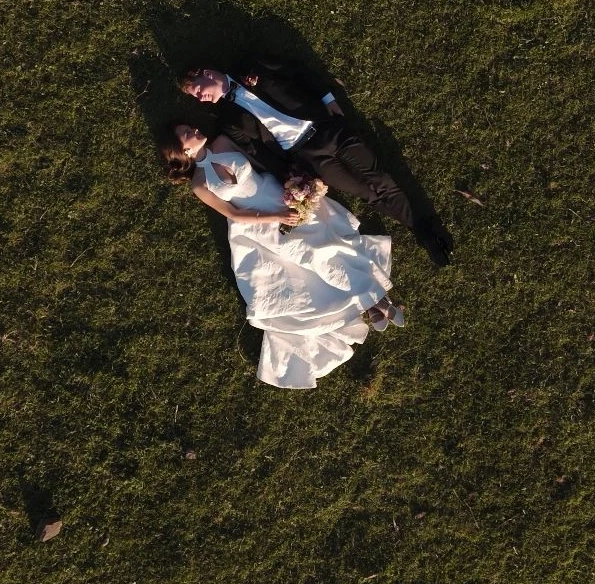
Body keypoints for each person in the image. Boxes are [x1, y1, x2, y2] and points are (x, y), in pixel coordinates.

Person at [162, 122, 404, 389]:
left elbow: (259, 157)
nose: (195, 130)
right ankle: (374, 301)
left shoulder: (221, 142)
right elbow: (233, 214)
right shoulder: (199, 184)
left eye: (191, 127)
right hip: (262, 221)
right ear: (182, 150)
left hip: (280, 194)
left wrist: (295, 184)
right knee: (313, 256)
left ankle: (373, 301)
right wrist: (275, 217)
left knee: (332, 244)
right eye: (187, 133)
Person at [179, 59, 454, 266]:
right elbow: (258, 153)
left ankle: (428, 233)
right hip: (307, 155)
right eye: (195, 98)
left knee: (380, 178)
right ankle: (426, 230)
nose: (200, 98)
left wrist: (328, 98)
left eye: (197, 90)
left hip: (326, 128)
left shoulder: (251, 65)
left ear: (207, 73)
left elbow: (298, 71)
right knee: (368, 193)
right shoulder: (228, 119)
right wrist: (291, 177)